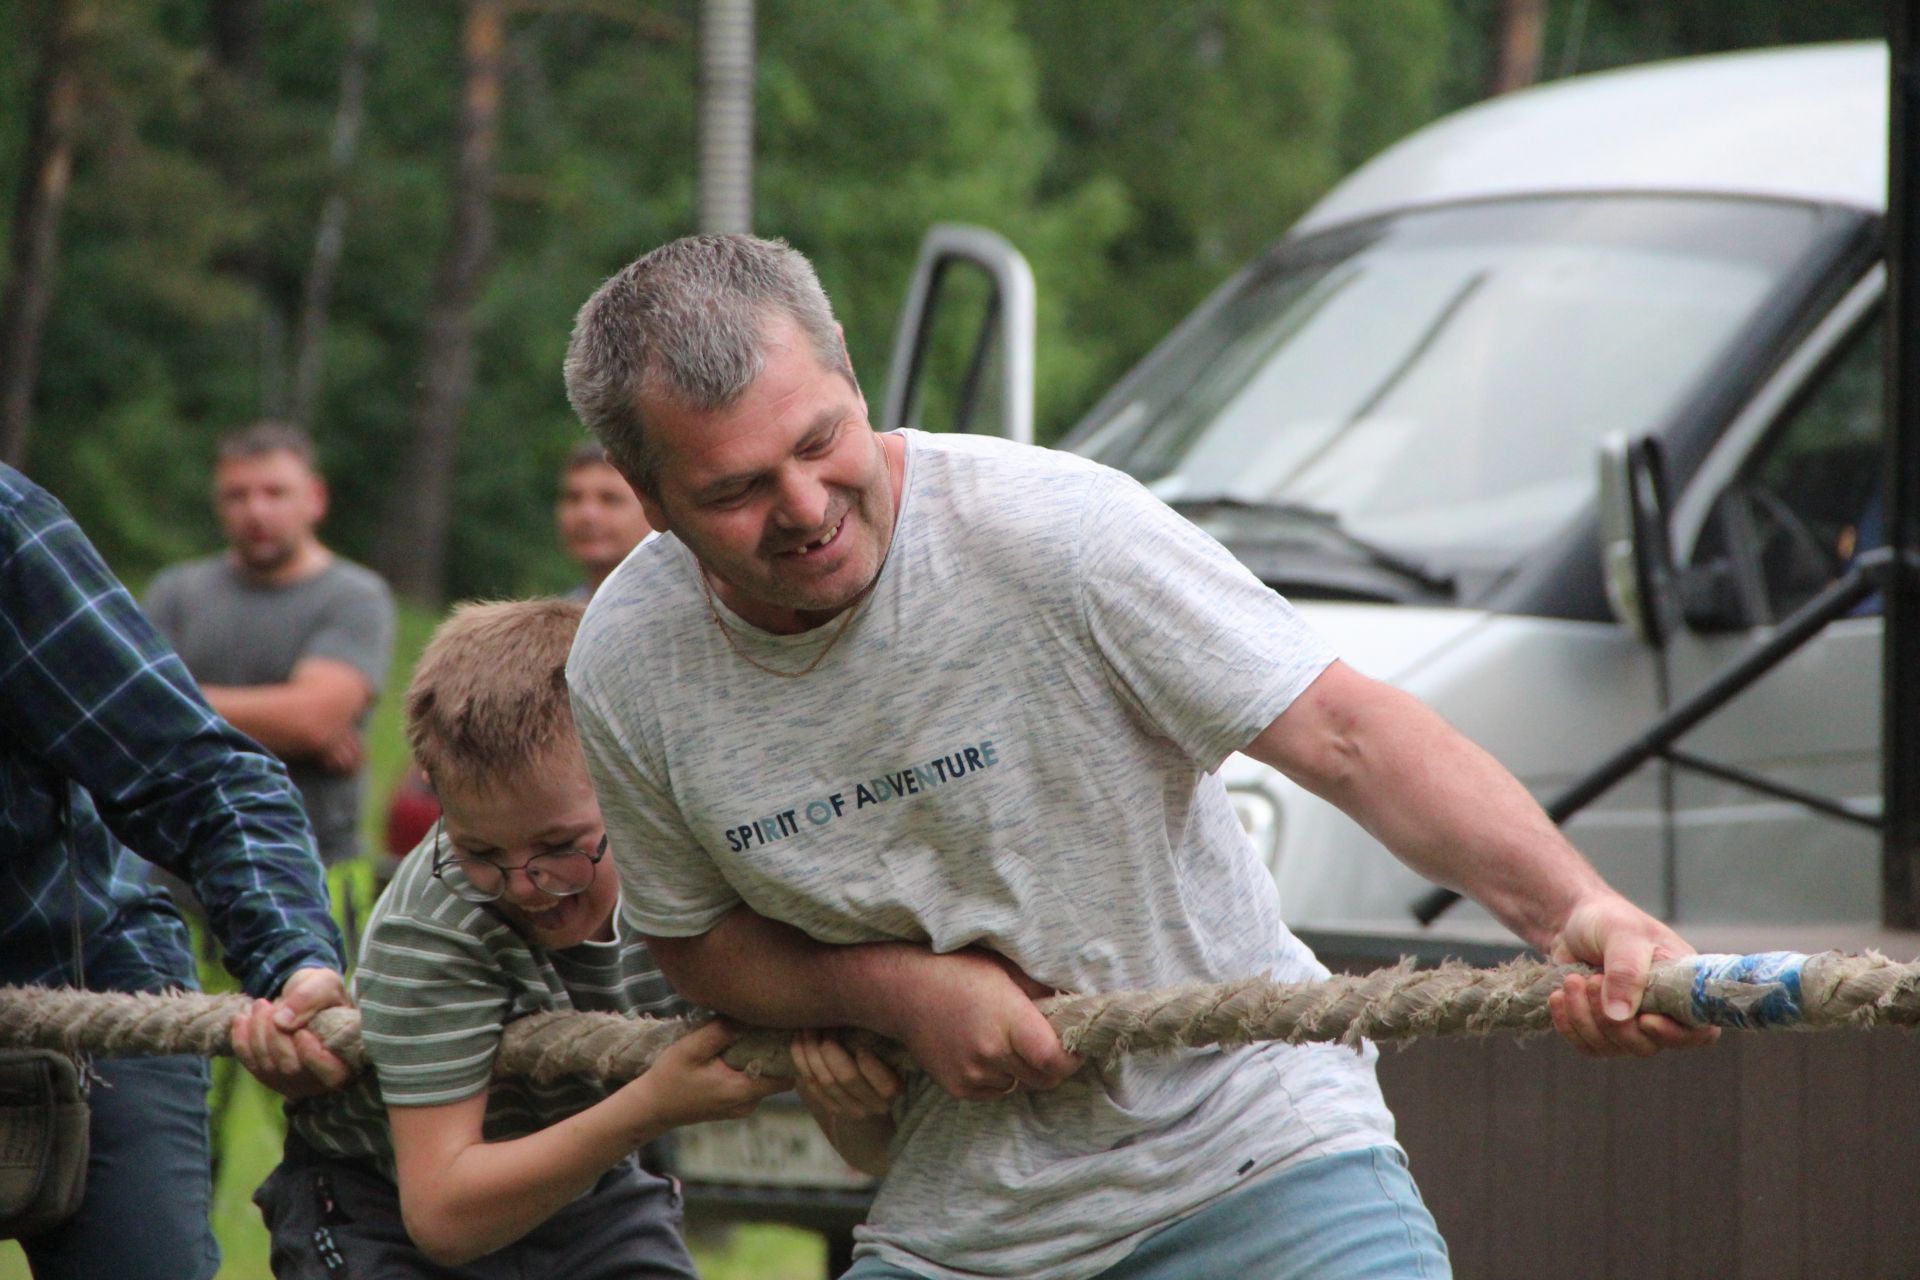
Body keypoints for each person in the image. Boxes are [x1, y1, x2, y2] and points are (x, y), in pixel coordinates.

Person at [558, 234, 1717, 1280]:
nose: (807, 505)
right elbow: (692, 934)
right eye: (738, 489)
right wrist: (895, 991)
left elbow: (1349, 735)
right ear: (652, 500)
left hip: (1258, 1155)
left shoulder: (1056, 531)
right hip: (963, 1221)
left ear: (853, 376)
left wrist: (1575, 909)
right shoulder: (626, 660)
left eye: (821, 440)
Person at [242, 598, 896, 1277]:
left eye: (559, 845)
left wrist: (851, 1100)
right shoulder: (435, 921)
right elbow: (442, 1214)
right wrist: (651, 1106)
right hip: (384, 1198)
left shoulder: (723, 866)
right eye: (480, 850)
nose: (523, 883)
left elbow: (871, 1149)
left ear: (632, 779)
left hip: (590, 1185)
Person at [0, 463, 348, 1280]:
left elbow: (199, 772)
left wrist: (295, 959)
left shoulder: (9, 531)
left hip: (78, 984)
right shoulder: (187, 589)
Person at [146, 422, 396, 869]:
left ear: (315, 499)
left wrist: (175, 705)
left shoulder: (355, 596)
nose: (256, 511)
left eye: (275, 493)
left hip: (313, 862)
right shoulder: (175, 594)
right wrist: (282, 722)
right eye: (237, 495)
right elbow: (132, 713)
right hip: (181, 865)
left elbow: (311, 720)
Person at [557, 439, 654, 598]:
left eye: (610, 499)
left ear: (655, 510)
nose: (587, 514)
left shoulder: (692, 610)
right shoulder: (562, 615)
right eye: (574, 498)